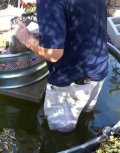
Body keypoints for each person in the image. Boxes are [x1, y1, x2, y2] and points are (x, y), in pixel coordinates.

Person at [14, 0, 109, 132]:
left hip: (70, 84)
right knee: (85, 119)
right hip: (99, 69)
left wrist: (25, 38)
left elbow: (53, 54)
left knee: (59, 135)